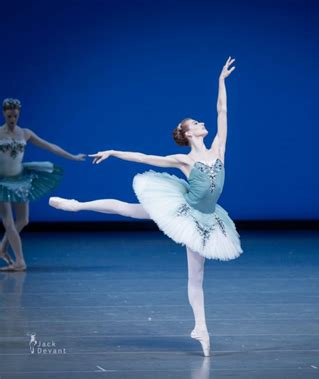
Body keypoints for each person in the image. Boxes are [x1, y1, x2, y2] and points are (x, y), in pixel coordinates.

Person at [49, 57, 242, 356]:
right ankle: (77, 206)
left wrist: (221, 81)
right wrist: (113, 151)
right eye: (196, 123)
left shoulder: (219, 147)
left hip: (207, 219)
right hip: (184, 211)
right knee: (128, 209)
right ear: (189, 133)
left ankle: (201, 329)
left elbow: (222, 110)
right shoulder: (184, 160)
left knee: (197, 277)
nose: (203, 123)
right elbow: (142, 157)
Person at [0, 98, 85, 272]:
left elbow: (50, 147)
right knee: (8, 222)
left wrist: (72, 157)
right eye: (9, 116)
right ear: (4, 114)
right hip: (2, 181)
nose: (12, 119)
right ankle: (20, 261)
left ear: (19, 114)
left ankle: (2, 247)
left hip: (20, 179)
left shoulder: (25, 133)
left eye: (15, 116)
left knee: (23, 220)